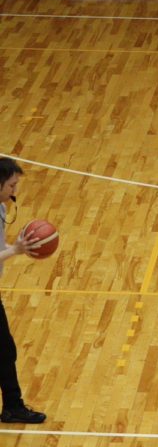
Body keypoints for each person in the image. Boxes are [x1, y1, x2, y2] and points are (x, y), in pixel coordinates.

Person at [0, 158, 46, 424]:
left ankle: (12, 406)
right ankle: (13, 407)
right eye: (11, 185)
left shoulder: (1, 208)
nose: (14, 191)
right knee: (4, 350)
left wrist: (16, 247)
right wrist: (16, 250)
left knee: (5, 350)